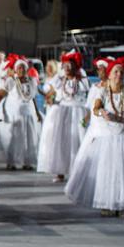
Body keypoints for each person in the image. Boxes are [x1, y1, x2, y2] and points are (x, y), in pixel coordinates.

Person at [65, 57, 124, 217]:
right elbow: (96, 107)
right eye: (116, 72)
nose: (119, 74)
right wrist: (101, 111)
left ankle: (122, 204)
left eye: (122, 72)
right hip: (107, 139)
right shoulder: (102, 91)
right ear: (109, 75)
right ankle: (107, 204)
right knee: (106, 173)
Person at [37, 50, 90, 182]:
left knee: (77, 141)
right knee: (62, 142)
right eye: (64, 65)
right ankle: (60, 171)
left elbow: (86, 92)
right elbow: (50, 90)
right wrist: (48, 96)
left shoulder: (81, 77)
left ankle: (78, 171)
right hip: (63, 112)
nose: (66, 68)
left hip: (77, 111)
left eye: (69, 65)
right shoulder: (60, 78)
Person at [0, 55, 41, 170]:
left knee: (28, 139)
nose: (21, 70)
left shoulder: (31, 81)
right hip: (14, 115)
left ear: (27, 69)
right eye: (19, 68)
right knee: (14, 139)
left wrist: (37, 112)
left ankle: (28, 162)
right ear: (16, 70)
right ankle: (11, 162)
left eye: (23, 68)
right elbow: (1, 95)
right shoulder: (11, 81)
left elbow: (33, 98)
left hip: (28, 114)